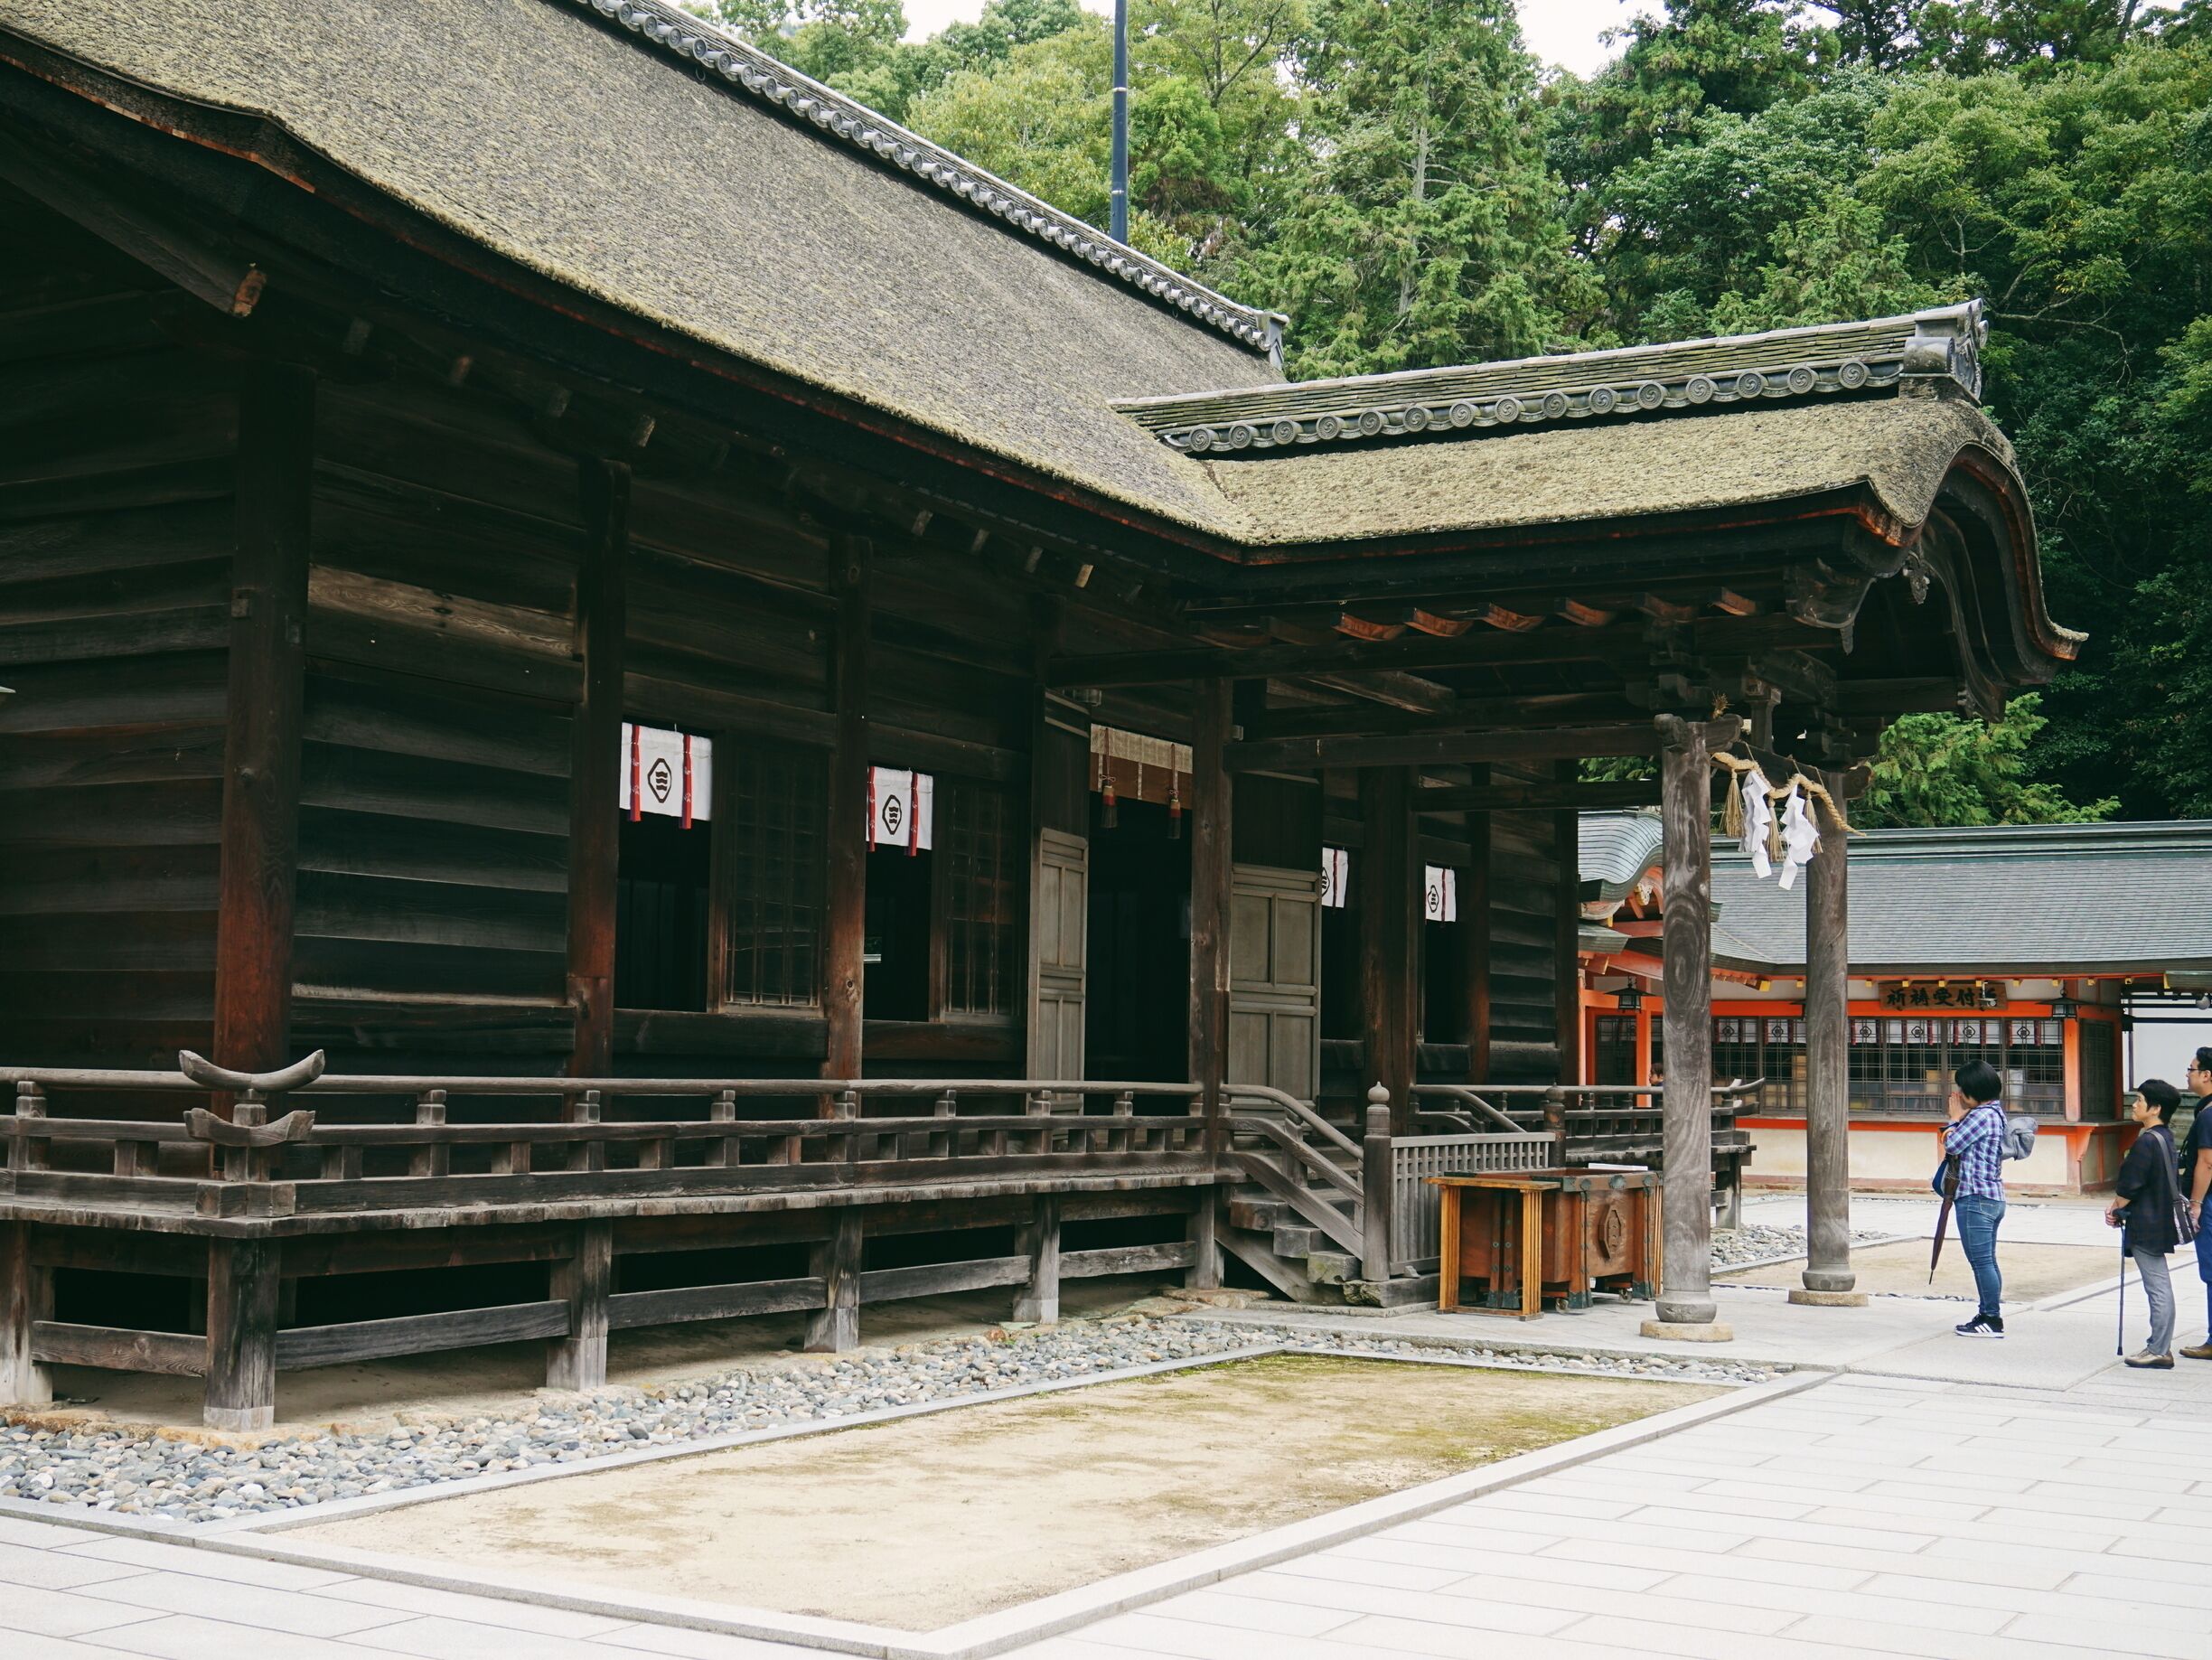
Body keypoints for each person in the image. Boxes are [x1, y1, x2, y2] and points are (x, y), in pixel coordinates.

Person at [2108, 1080, 2184, 1369]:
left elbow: (2130, 1186)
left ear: (2156, 1108)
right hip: (2159, 1219)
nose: (2135, 1104)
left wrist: (2115, 1208)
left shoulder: (2146, 1141)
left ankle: (2159, 1348)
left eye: (2140, 1100)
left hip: (2147, 1223)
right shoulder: (2165, 1137)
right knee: (2160, 1283)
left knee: (2157, 1285)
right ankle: (2159, 1346)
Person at [1945, 1059, 2010, 1338]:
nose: (1958, 1095)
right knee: (1988, 1261)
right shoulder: (1996, 1113)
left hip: (1976, 1198)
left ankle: (1991, 1319)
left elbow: (1951, 1143)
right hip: (1991, 1197)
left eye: (1962, 1090)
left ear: (1972, 1091)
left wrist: (1953, 1119)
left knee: (1982, 1262)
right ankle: (1988, 1315)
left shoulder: (1980, 1116)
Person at [2180, 1050, 2212, 1361]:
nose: (2188, 1075)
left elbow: (2207, 1162)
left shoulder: (2208, 1113)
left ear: (2207, 1075)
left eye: (2191, 1069)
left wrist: (2197, 1202)